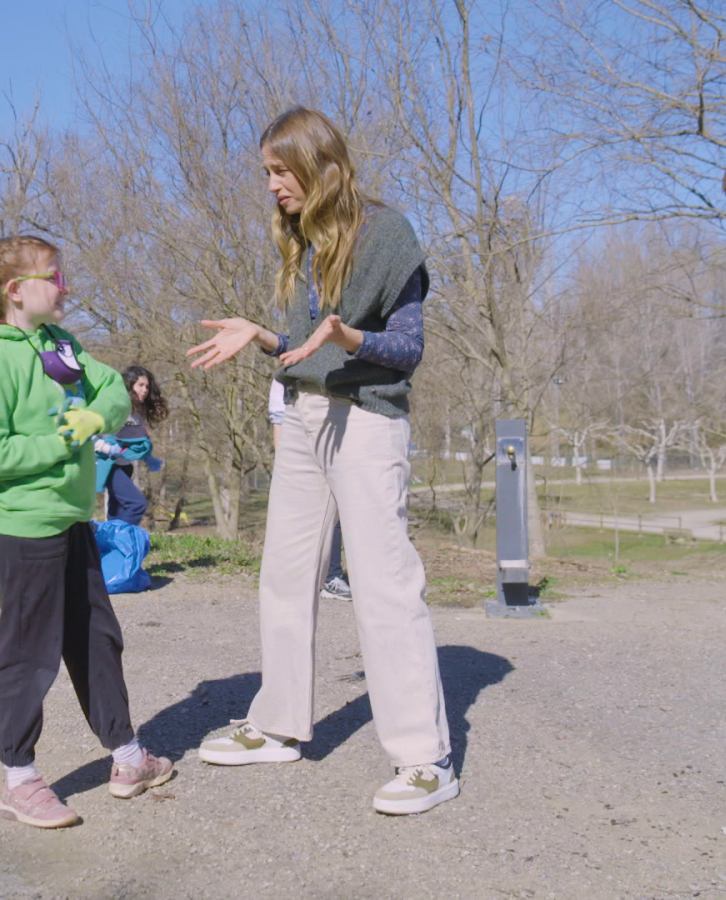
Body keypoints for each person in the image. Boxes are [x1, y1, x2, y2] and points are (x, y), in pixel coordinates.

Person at [187, 107, 454, 816]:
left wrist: (352, 336)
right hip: (304, 418)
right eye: (268, 174)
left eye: (281, 171)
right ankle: (278, 725)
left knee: (383, 586)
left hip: (366, 421)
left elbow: (407, 349)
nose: (272, 186)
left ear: (316, 162)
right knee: (285, 574)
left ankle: (425, 758)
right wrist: (265, 335)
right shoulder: (303, 239)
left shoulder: (388, 234)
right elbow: (310, 350)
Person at [0, 234, 173, 829]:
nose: (65, 286)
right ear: (16, 290)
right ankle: (19, 778)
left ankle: (129, 757)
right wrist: (66, 438)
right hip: (22, 526)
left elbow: (109, 389)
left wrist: (95, 416)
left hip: (71, 519)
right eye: (54, 276)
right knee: (29, 652)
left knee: (95, 638)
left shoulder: (61, 344)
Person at [268, 380, 349, 600]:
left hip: (336, 441)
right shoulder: (285, 378)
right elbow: (278, 418)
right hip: (302, 447)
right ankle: (313, 578)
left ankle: (330, 576)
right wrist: (283, 460)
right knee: (302, 519)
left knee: (337, 513)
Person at [95, 365, 167, 526]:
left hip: (126, 466)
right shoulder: (117, 406)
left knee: (117, 509)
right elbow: (98, 434)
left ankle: (109, 542)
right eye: (140, 385)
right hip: (109, 466)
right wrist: (108, 446)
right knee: (136, 504)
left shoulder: (139, 411)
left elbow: (136, 441)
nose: (145, 390)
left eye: (147, 386)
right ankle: (123, 540)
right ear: (129, 385)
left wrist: (148, 456)